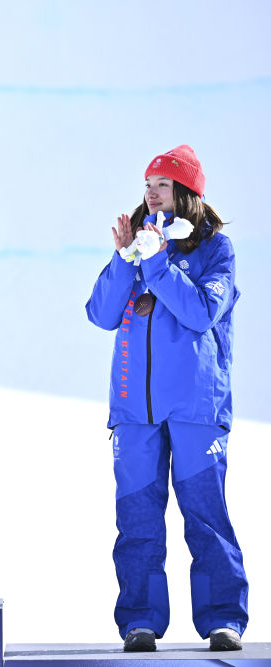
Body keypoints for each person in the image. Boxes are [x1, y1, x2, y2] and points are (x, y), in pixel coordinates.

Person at [86, 146, 247, 652]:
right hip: (134, 409)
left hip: (197, 408)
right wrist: (124, 258)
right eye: (148, 183)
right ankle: (140, 619)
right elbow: (101, 314)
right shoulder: (139, 245)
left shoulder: (216, 250)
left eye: (162, 183)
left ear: (187, 191)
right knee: (137, 519)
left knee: (206, 516)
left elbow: (199, 312)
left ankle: (223, 618)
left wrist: (157, 262)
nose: (151, 192)